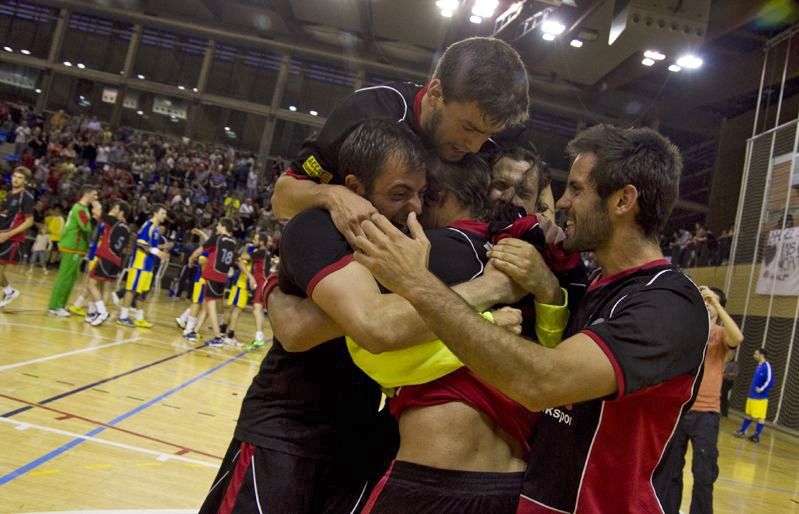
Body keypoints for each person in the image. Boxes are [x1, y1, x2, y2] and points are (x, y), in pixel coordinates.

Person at [352, 124, 710, 513]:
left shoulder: (669, 302)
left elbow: (543, 380)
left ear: (623, 200)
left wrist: (418, 284)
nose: (562, 203)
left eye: (577, 189)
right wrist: (549, 293)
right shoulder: (588, 288)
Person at [199, 121, 522, 513]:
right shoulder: (318, 228)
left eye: (423, 194)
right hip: (287, 429)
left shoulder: (407, 246)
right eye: (400, 193)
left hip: (359, 434)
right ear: (354, 189)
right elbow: (308, 330)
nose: (415, 208)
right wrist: (491, 291)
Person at [271, 36, 530, 243]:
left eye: (487, 134)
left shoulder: (495, 147)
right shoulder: (369, 111)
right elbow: (282, 198)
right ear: (436, 94)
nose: (475, 146)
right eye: (469, 128)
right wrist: (332, 195)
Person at [654, 286, 743, 514]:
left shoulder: (722, 335)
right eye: (704, 300)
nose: (707, 304)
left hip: (706, 413)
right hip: (680, 410)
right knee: (670, 471)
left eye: (710, 302)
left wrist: (716, 305)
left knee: (704, 472)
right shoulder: (688, 331)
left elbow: (738, 337)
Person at [182, 218, 238, 347]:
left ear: (223, 226)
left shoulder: (218, 238)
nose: (217, 227)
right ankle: (194, 331)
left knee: (210, 306)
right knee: (208, 306)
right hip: (223, 277)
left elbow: (199, 250)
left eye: (218, 225)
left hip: (213, 275)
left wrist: (191, 259)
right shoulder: (233, 242)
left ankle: (217, 336)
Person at [48, 185, 99, 317]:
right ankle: (55, 306)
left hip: (77, 248)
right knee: (65, 277)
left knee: (70, 278)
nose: (96, 197)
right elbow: (86, 227)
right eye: (94, 194)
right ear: (86, 194)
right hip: (72, 247)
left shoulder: (82, 209)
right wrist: (96, 215)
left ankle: (60, 305)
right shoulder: (80, 209)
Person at [116, 204, 168, 327]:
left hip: (148, 265)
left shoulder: (156, 229)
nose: (165, 216)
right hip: (140, 263)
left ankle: (139, 318)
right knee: (131, 289)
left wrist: (160, 253)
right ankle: (123, 316)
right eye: (163, 213)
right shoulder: (148, 226)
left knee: (142, 292)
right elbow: (140, 243)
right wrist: (157, 252)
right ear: (155, 213)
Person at [86, 201, 132, 327]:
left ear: (121, 212)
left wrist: (94, 201)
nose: (114, 208)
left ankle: (101, 312)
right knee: (104, 288)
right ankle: (97, 314)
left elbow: (96, 212)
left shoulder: (114, 222)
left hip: (106, 256)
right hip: (117, 261)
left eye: (117, 207)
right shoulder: (127, 228)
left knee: (91, 285)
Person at [0, 166, 35, 308]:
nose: (16, 179)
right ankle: (9, 291)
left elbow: (29, 221)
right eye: (15, 176)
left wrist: (8, 234)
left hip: (11, 238)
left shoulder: (26, 197)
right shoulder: (8, 194)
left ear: (25, 181)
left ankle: (9, 291)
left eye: (20, 178)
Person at [734, 348, 774, 443]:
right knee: (749, 414)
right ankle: (742, 431)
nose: (754, 355)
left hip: (761, 398)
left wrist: (761, 389)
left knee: (760, 417)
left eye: (756, 354)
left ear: (761, 355)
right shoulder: (758, 366)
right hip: (752, 395)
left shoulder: (766, 366)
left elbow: (770, 380)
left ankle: (756, 436)